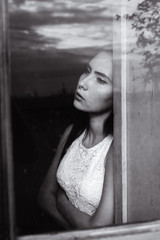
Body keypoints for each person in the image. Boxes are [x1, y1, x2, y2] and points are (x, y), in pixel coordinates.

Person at [38, 51, 114, 230]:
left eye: (101, 80)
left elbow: (99, 233)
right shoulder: (72, 132)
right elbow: (43, 196)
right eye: (87, 71)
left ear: (119, 94)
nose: (82, 83)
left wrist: (61, 200)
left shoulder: (115, 150)